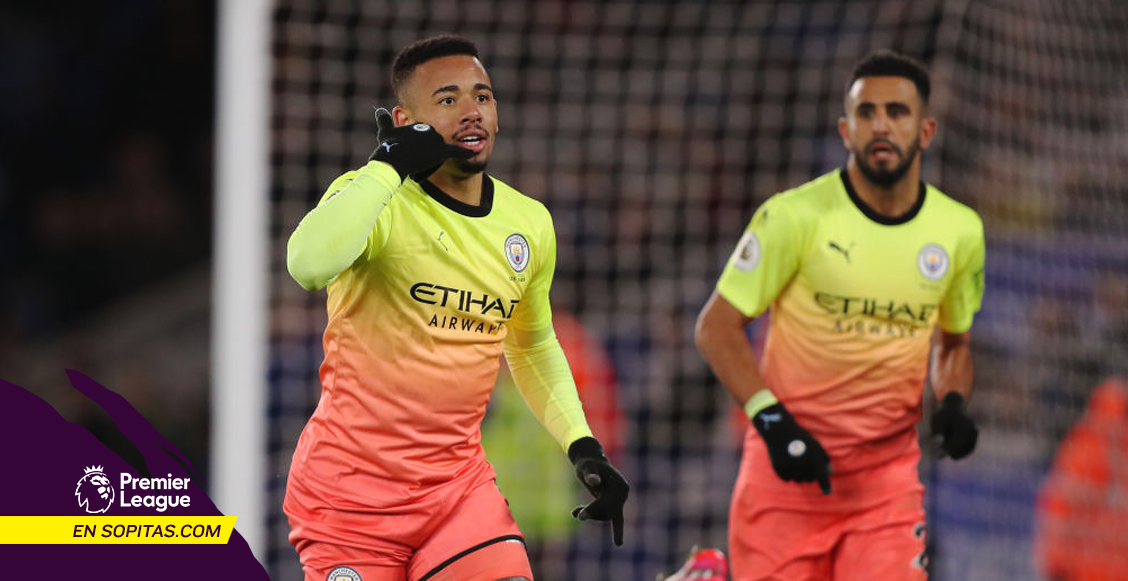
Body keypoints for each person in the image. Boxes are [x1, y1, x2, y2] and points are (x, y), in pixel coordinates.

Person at [283, 35, 629, 581]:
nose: (472, 112)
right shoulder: (375, 198)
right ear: (405, 120)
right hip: (350, 496)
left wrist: (582, 445)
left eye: (483, 97)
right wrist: (386, 165)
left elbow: (532, 343)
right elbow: (306, 263)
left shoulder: (528, 222)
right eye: (447, 100)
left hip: (456, 491)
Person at [694, 49, 985, 580]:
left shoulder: (959, 232)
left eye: (896, 112)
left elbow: (953, 344)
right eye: (866, 113)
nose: (880, 125)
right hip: (783, 480)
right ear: (845, 129)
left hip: (885, 491)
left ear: (926, 131)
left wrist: (954, 401)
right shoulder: (792, 217)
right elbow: (715, 327)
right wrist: (771, 420)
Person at [1035, 376, 1128, 581]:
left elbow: (1060, 507)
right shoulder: (1085, 447)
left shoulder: (1080, 447)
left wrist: (1054, 560)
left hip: (1083, 569)